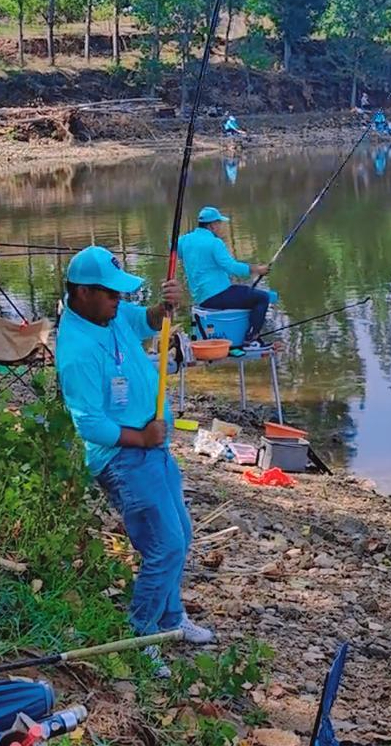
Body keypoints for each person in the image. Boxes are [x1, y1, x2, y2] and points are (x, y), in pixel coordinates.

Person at [55, 245, 213, 678]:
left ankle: (171, 619)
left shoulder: (110, 314)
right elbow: (90, 425)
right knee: (164, 545)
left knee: (181, 531)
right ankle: (141, 635)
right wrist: (141, 436)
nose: (118, 301)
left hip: (153, 447)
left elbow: (145, 320)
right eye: (111, 294)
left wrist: (165, 307)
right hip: (124, 457)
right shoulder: (76, 350)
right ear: (84, 292)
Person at [178, 206, 272, 343]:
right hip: (217, 295)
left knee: (244, 292)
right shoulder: (215, 243)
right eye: (219, 223)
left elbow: (173, 248)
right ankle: (252, 335)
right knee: (262, 297)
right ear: (212, 225)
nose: (221, 227)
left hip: (200, 297)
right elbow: (231, 267)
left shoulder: (184, 240)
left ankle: (244, 331)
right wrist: (257, 269)